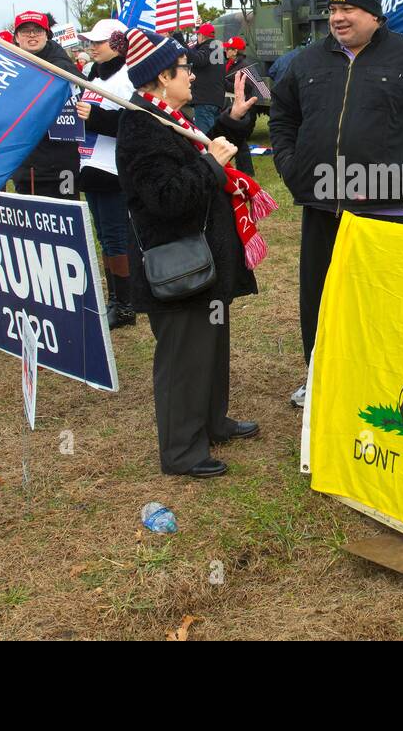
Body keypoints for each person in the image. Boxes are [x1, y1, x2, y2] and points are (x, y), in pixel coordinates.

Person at [270, 0, 403, 407]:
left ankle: (385, 379)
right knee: (320, 294)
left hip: (386, 200)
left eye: (348, 9)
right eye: (333, 9)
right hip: (322, 201)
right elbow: (282, 114)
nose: (338, 17)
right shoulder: (308, 62)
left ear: (373, 13)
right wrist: (289, 163)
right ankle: (318, 374)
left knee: (384, 296)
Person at [117, 28, 273, 478]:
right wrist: (212, 165)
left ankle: (211, 421)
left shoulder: (168, 115)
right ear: (163, 76)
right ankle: (182, 451)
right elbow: (165, 197)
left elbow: (202, 147)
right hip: (176, 262)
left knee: (210, 343)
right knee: (184, 355)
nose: (193, 76)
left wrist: (231, 122)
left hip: (204, 258)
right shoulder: (141, 125)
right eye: (185, 69)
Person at [74, 18, 135, 327]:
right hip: (90, 168)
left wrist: (95, 117)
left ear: (117, 43)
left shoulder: (127, 78)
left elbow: (134, 124)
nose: (92, 47)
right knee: (103, 237)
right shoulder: (93, 76)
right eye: (91, 42)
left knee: (115, 238)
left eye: (99, 42)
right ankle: (114, 297)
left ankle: (125, 304)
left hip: (113, 170)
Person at [10, 10, 81, 199]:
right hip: (26, 165)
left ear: (47, 35)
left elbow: (78, 88)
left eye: (37, 31)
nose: (32, 35)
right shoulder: (8, 65)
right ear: (16, 37)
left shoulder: (61, 64)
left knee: (68, 220)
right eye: (25, 31)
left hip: (60, 164)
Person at [222, 37, 259, 176]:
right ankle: (242, 169)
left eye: (228, 48)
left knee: (239, 140)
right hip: (233, 105)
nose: (225, 50)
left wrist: (224, 84)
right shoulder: (231, 64)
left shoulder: (245, 65)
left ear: (235, 51)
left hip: (243, 106)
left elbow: (248, 88)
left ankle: (246, 171)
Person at [188, 22, 227, 133]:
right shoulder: (217, 49)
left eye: (198, 35)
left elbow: (196, 60)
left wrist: (180, 41)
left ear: (202, 36)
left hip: (204, 100)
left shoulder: (207, 48)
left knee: (205, 138)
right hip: (216, 99)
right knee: (214, 135)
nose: (197, 37)